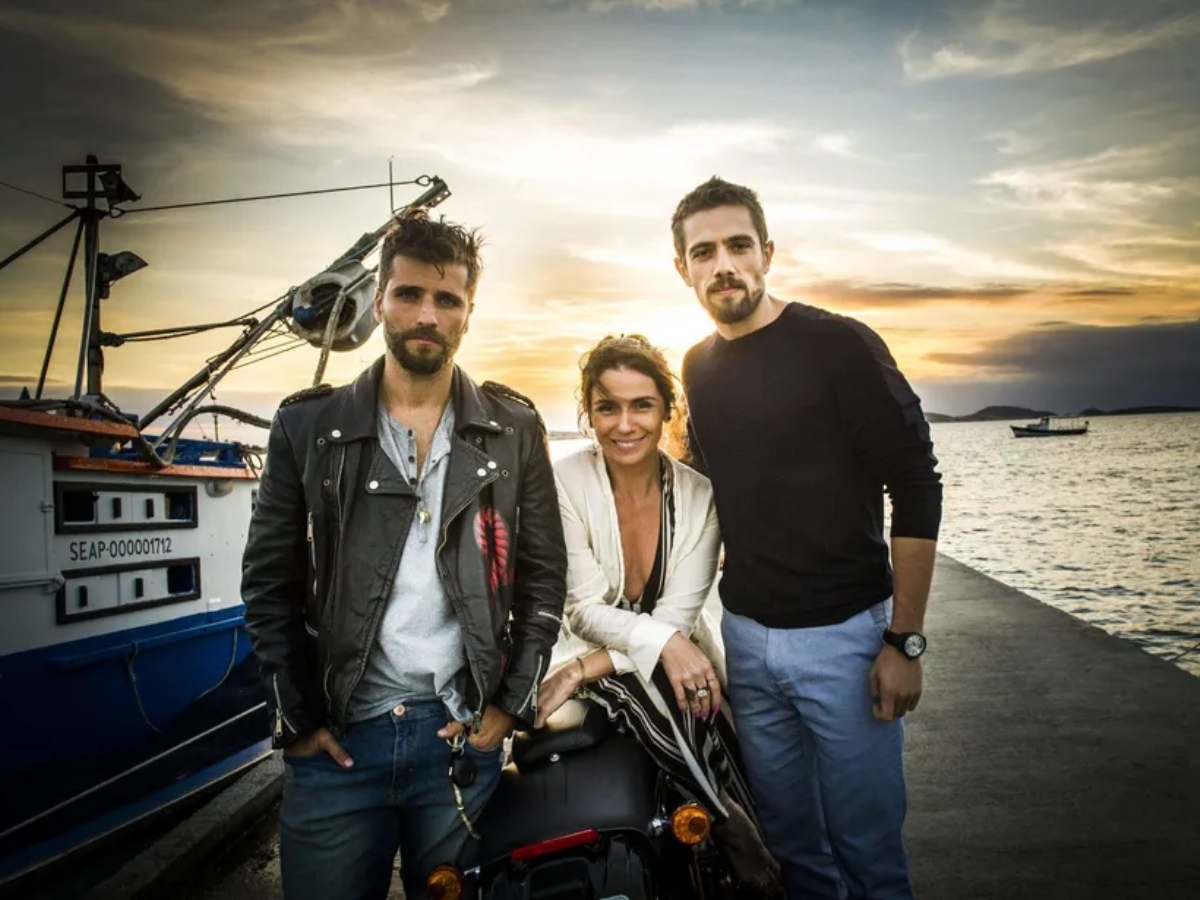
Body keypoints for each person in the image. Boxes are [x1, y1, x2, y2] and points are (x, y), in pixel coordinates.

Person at [241, 211, 567, 899]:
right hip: (338, 741)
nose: (427, 314)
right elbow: (269, 582)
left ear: (468, 313)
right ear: (381, 300)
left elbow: (542, 580)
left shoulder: (512, 429)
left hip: (460, 740)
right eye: (410, 294)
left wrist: (509, 707)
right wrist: (296, 721)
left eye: (446, 300)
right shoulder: (307, 427)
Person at [671, 177, 943, 900]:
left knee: (868, 851)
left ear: (767, 252)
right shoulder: (697, 367)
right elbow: (709, 480)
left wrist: (903, 642)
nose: (723, 264)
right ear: (683, 269)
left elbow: (916, 483)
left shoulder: (838, 345)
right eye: (705, 252)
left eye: (737, 245)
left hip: (848, 641)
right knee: (793, 853)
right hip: (750, 646)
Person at [534, 334, 780, 895]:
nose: (625, 424)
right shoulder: (564, 481)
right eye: (607, 407)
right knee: (652, 690)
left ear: (667, 411)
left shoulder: (700, 496)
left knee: (699, 694)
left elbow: (677, 614)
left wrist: (594, 666)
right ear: (589, 414)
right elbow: (583, 608)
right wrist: (583, 667)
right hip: (582, 650)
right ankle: (730, 822)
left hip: (642, 656)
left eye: (641, 405)